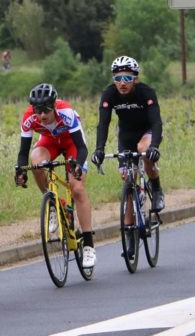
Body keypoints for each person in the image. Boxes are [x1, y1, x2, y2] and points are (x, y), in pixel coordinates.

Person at [14, 83, 96, 268]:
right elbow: (23, 152)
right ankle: (52, 203)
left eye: (46, 110)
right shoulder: (29, 118)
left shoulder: (66, 112)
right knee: (35, 161)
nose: (42, 115)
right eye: (38, 110)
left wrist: (77, 165)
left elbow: (82, 147)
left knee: (77, 188)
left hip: (72, 144)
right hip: (49, 143)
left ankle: (89, 246)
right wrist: (20, 170)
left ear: (54, 106)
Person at [91, 56, 165, 213]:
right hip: (126, 136)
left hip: (147, 132)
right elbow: (103, 124)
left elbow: (156, 122)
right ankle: (130, 230)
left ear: (135, 79)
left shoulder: (146, 92)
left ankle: (157, 189)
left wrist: (154, 146)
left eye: (127, 78)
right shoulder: (109, 94)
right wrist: (99, 149)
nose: (122, 83)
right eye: (118, 78)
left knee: (143, 149)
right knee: (126, 178)